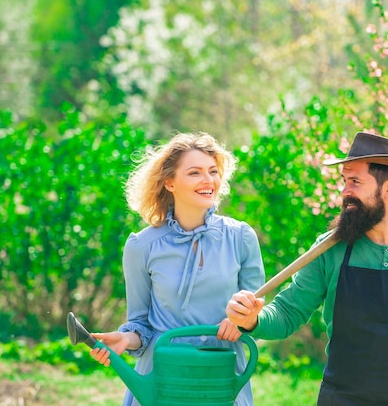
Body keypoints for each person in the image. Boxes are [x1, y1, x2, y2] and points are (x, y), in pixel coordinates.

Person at [226, 132, 388, 405]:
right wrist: (252, 320)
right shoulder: (331, 248)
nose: (344, 192)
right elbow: (288, 312)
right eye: (344, 181)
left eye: (355, 182)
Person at [89, 131, 265, 406]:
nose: (208, 181)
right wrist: (125, 338)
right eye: (195, 173)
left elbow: (257, 311)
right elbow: (141, 324)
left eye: (213, 171)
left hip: (221, 377)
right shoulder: (142, 246)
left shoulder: (240, 237)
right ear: (169, 182)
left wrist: (241, 322)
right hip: (162, 377)